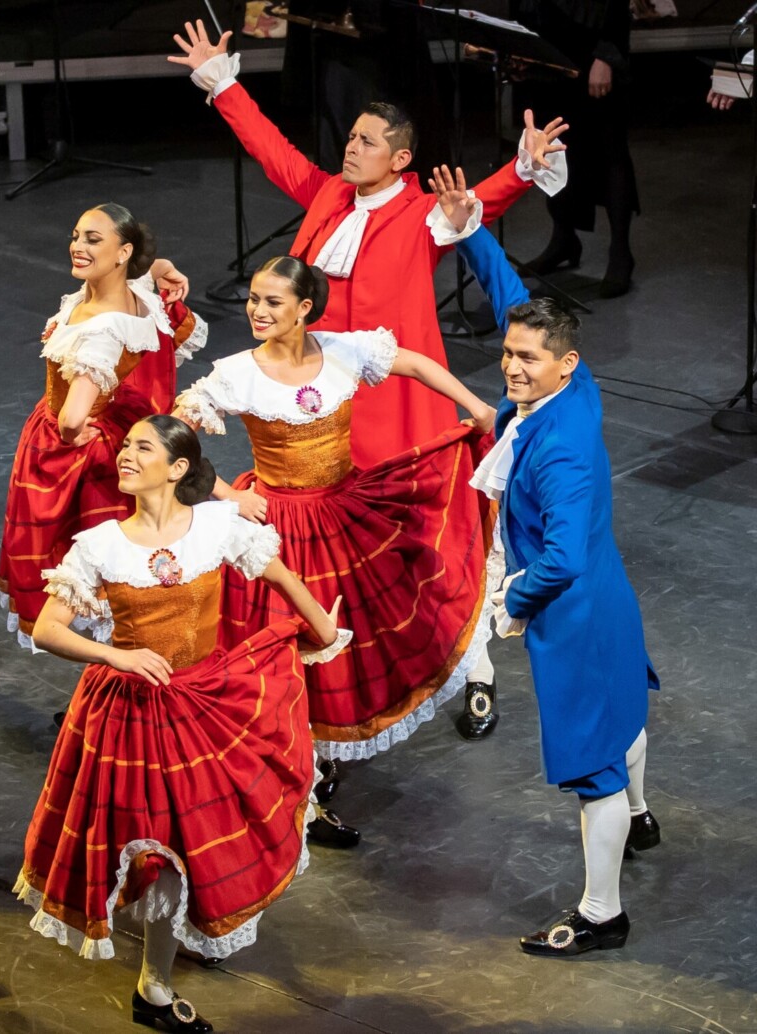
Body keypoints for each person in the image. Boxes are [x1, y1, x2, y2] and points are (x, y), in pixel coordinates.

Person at [16, 415, 346, 1031]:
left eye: (142, 447)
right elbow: (47, 629)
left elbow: (278, 574)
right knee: (152, 848)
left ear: (178, 468)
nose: (125, 455)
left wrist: (323, 630)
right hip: (132, 713)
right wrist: (117, 654)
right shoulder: (101, 545)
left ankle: (156, 981)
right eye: (124, 447)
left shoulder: (216, 527)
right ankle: (156, 985)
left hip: (206, 701)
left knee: (192, 839)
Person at [168, 18, 567, 469]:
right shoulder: (329, 191)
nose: (352, 148)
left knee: (393, 488)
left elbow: (480, 202)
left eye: (367, 142)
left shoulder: (422, 213)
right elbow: (271, 150)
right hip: (313, 369)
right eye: (353, 137)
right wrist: (224, 85)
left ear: (400, 159)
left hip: (387, 388)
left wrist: (521, 169)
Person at [174, 256, 496, 785]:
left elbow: (414, 364)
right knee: (290, 637)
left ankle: (324, 752)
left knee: (359, 624)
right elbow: (173, 437)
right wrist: (228, 495)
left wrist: (477, 407)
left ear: (304, 309)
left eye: (271, 301)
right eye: (254, 298)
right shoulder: (238, 374)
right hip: (278, 523)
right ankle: (300, 762)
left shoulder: (343, 350)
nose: (256, 309)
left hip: (344, 511)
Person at [433, 171, 662, 897]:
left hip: (574, 614)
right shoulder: (574, 381)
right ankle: (643, 815)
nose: (511, 367)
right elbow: (517, 308)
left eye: (527, 360)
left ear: (563, 365)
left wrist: (510, 600)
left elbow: (558, 557)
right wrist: (472, 232)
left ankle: (601, 914)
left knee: (590, 764)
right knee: (624, 720)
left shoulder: (561, 448)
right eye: (509, 355)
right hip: (607, 597)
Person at [0, 204, 203, 648]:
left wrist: (68, 432)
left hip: (79, 457)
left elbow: (72, 414)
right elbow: (149, 273)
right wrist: (163, 265)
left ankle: (116, 676)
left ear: (122, 252)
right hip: (118, 437)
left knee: (82, 567)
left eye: (92, 239)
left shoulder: (101, 328)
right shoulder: (138, 294)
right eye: (76, 236)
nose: (77, 246)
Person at [513, 0, 639, 297]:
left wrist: (607, 56)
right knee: (553, 149)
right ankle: (564, 239)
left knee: (609, 153)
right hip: (546, 46)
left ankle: (621, 252)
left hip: (592, 49)